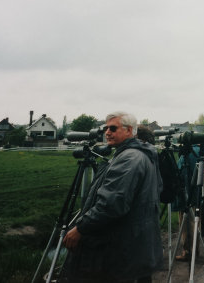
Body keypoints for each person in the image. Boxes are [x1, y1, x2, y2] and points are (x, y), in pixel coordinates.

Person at [62, 111, 163, 283]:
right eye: (106, 128)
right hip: (136, 244)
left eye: (113, 128)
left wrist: (81, 228)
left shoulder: (129, 158)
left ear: (129, 130)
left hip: (123, 247)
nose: (107, 132)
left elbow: (112, 204)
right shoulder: (140, 154)